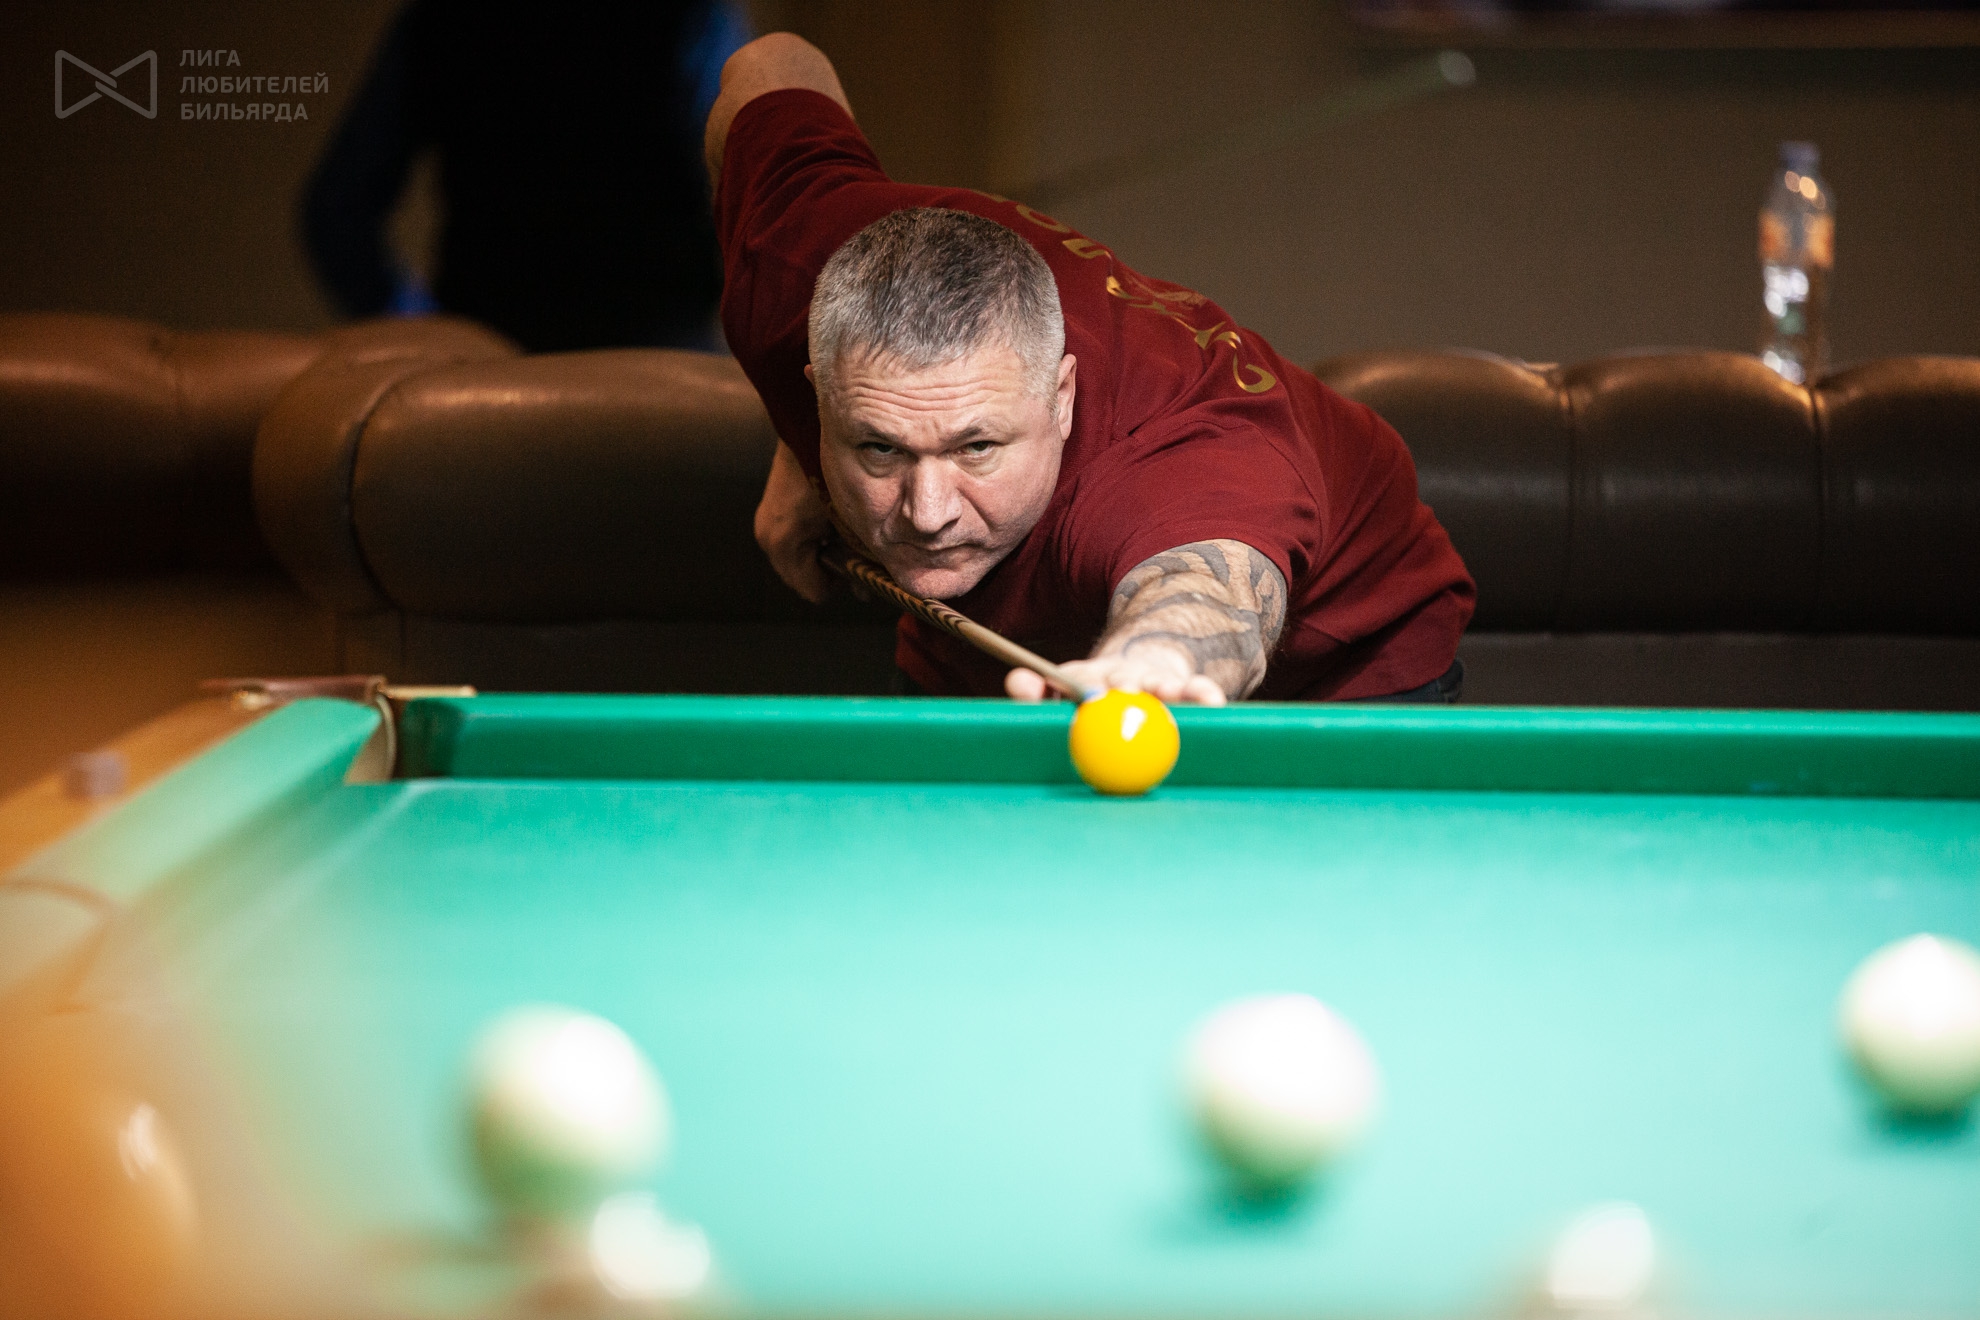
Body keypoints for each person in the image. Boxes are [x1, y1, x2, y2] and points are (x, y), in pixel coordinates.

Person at [708, 34, 1474, 705]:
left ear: (1062, 397)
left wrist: (1149, 667)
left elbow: (1208, 597)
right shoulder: (790, 262)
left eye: (977, 447)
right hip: (987, 641)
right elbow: (771, 61)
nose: (927, 512)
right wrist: (800, 445)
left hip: (1337, 664)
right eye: (881, 447)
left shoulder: (1184, 464)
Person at [302, 0, 749, 352]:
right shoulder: (689, 12)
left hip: (493, 366)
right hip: (661, 356)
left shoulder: (437, 20)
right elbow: (752, 171)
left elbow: (336, 209)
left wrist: (425, 328)